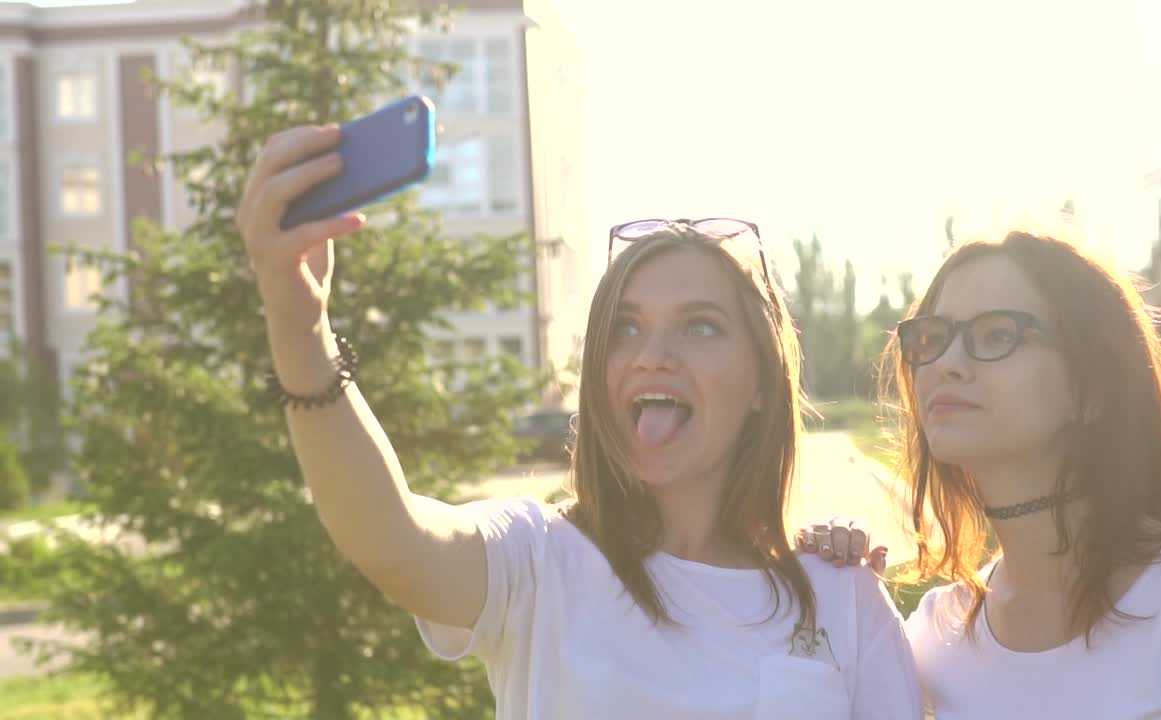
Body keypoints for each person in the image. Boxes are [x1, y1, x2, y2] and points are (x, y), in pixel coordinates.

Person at [236, 124, 924, 719]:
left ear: (762, 384)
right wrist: (302, 332)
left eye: (700, 326)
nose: (652, 355)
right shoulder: (537, 561)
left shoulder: (843, 597)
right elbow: (393, 539)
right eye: (626, 326)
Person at [797, 230, 1161, 719]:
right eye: (932, 338)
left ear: (1092, 387)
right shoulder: (933, 638)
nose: (946, 363)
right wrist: (838, 603)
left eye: (996, 335)